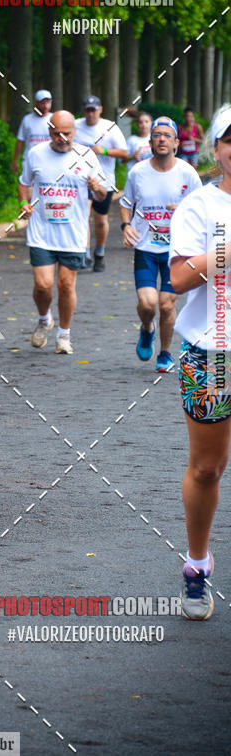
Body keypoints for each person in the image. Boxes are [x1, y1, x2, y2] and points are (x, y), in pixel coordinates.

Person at [168, 103, 231, 620]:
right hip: (212, 354)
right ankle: (196, 564)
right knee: (208, 468)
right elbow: (181, 280)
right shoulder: (198, 206)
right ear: (217, 149)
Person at [18, 110, 107, 355]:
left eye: (66, 133)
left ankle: (64, 336)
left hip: (73, 234)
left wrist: (97, 188)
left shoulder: (86, 156)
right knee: (43, 285)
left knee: (66, 285)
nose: (62, 138)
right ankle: (45, 318)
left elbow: (102, 195)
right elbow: (24, 183)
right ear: (49, 132)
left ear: (74, 132)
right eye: (56, 133)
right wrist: (24, 204)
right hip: (42, 232)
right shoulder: (36, 154)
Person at [120, 116, 201, 372]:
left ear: (177, 142)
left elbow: (202, 209)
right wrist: (126, 225)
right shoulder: (138, 173)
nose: (162, 139)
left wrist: (185, 210)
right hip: (145, 248)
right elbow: (125, 205)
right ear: (150, 140)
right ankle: (147, 328)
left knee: (167, 303)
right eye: (157, 135)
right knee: (147, 304)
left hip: (176, 251)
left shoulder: (188, 173)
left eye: (167, 135)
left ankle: (165, 353)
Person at [74, 95, 128, 271]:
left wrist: (103, 150)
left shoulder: (109, 127)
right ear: (83, 111)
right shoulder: (75, 125)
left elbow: (124, 153)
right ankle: (84, 253)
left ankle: (100, 251)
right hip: (81, 179)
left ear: (100, 109)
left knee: (100, 219)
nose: (90, 114)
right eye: (87, 110)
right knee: (82, 215)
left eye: (94, 110)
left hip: (104, 179)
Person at [10, 90, 53, 175]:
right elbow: (20, 141)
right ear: (36, 103)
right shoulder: (27, 119)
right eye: (42, 103)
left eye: (48, 102)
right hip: (30, 161)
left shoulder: (55, 119)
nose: (45, 106)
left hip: (50, 160)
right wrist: (15, 160)